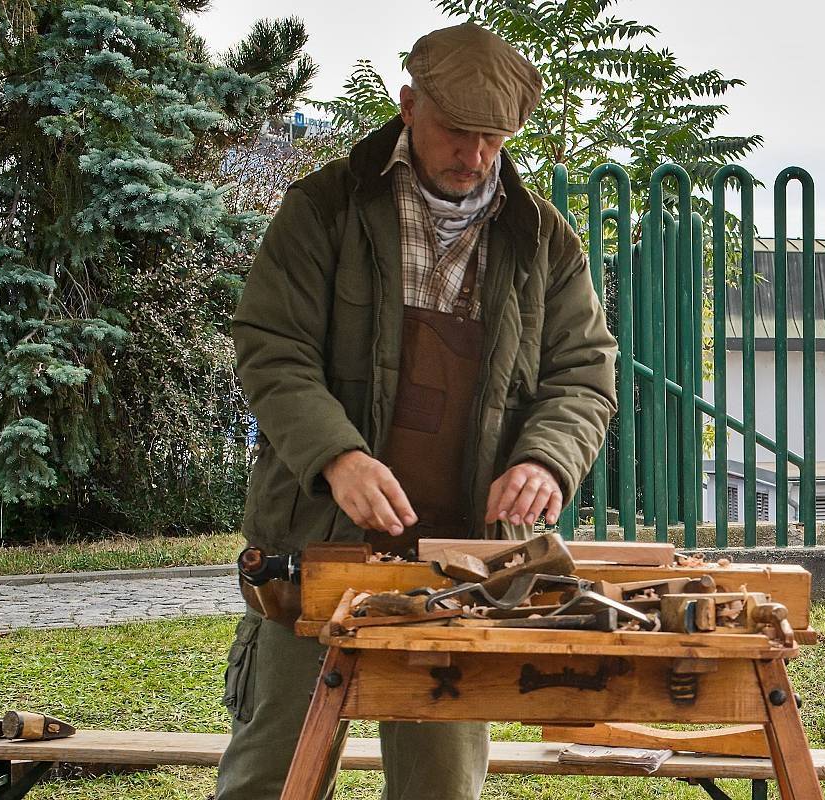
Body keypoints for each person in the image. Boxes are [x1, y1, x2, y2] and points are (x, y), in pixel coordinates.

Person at [218, 21, 618, 800]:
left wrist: (545, 458)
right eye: (456, 132)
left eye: (492, 140)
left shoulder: (541, 241)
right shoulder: (326, 208)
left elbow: (582, 373)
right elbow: (271, 346)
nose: (472, 156)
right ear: (409, 106)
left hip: (465, 562)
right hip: (317, 546)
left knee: (441, 785)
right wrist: (338, 455)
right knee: (273, 772)